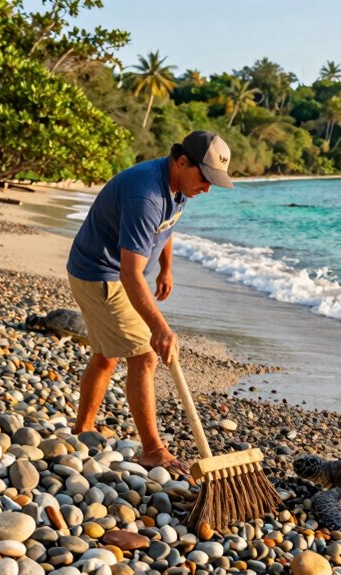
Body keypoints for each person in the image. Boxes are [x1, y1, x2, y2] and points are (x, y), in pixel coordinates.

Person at [66, 130, 234, 475]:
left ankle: (82, 428)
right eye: (205, 178)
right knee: (144, 355)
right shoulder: (147, 194)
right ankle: (152, 450)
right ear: (182, 161)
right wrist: (160, 328)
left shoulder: (179, 185)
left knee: (108, 353)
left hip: (109, 272)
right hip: (100, 273)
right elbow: (130, 273)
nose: (207, 188)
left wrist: (167, 267)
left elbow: (165, 228)